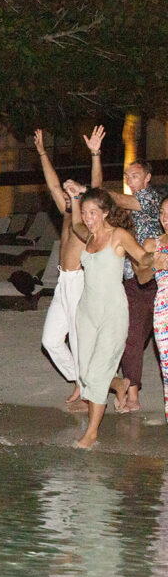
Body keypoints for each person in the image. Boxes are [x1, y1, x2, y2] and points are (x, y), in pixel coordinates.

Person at [63, 181, 155, 448]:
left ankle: (91, 433)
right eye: (85, 213)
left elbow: (141, 257)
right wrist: (76, 199)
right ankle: (119, 385)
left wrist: (154, 257)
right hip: (87, 312)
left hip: (113, 312)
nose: (88, 218)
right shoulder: (88, 235)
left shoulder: (118, 236)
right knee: (87, 374)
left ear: (105, 212)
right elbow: (75, 225)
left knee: (97, 374)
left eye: (93, 213)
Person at [35, 126, 104, 409]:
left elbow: (98, 189)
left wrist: (95, 154)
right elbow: (52, 184)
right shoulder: (65, 212)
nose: (65, 191)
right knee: (50, 340)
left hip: (79, 283)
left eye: (71, 189)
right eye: (65, 190)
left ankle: (87, 390)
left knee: (78, 340)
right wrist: (41, 151)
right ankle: (80, 380)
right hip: (62, 282)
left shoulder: (86, 218)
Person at [106, 161, 167, 411]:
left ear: (148, 177)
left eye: (136, 175)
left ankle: (131, 392)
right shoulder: (155, 240)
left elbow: (120, 199)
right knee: (132, 336)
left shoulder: (152, 199)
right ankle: (132, 394)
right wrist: (154, 265)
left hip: (150, 285)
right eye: (127, 176)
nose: (130, 179)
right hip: (141, 281)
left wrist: (93, 190)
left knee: (134, 336)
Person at [143, 196, 168, 423]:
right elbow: (140, 275)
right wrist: (154, 265)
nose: (165, 218)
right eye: (162, 212)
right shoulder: (153, 244)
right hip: (163, 311)